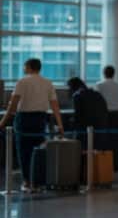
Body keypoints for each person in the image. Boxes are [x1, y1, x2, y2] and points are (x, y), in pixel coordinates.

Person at [0, 59, 64, 192]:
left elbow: (13, 105)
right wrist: (60, 124)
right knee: (38, 151)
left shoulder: (22, 82)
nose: (23, 69)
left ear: (28, 67)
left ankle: (27, 182)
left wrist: (2, 122)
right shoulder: (47, 82)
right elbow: (54, 104)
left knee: (24, 151)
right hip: (40, 118)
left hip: (24, 118)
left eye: (24, 66)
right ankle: (37, 182)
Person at [66, 77, 109, 144]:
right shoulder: (97, 94)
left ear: (72, 87)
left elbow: (78, 116)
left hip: (86, 133)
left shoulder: (77, 96)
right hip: (101, 131)